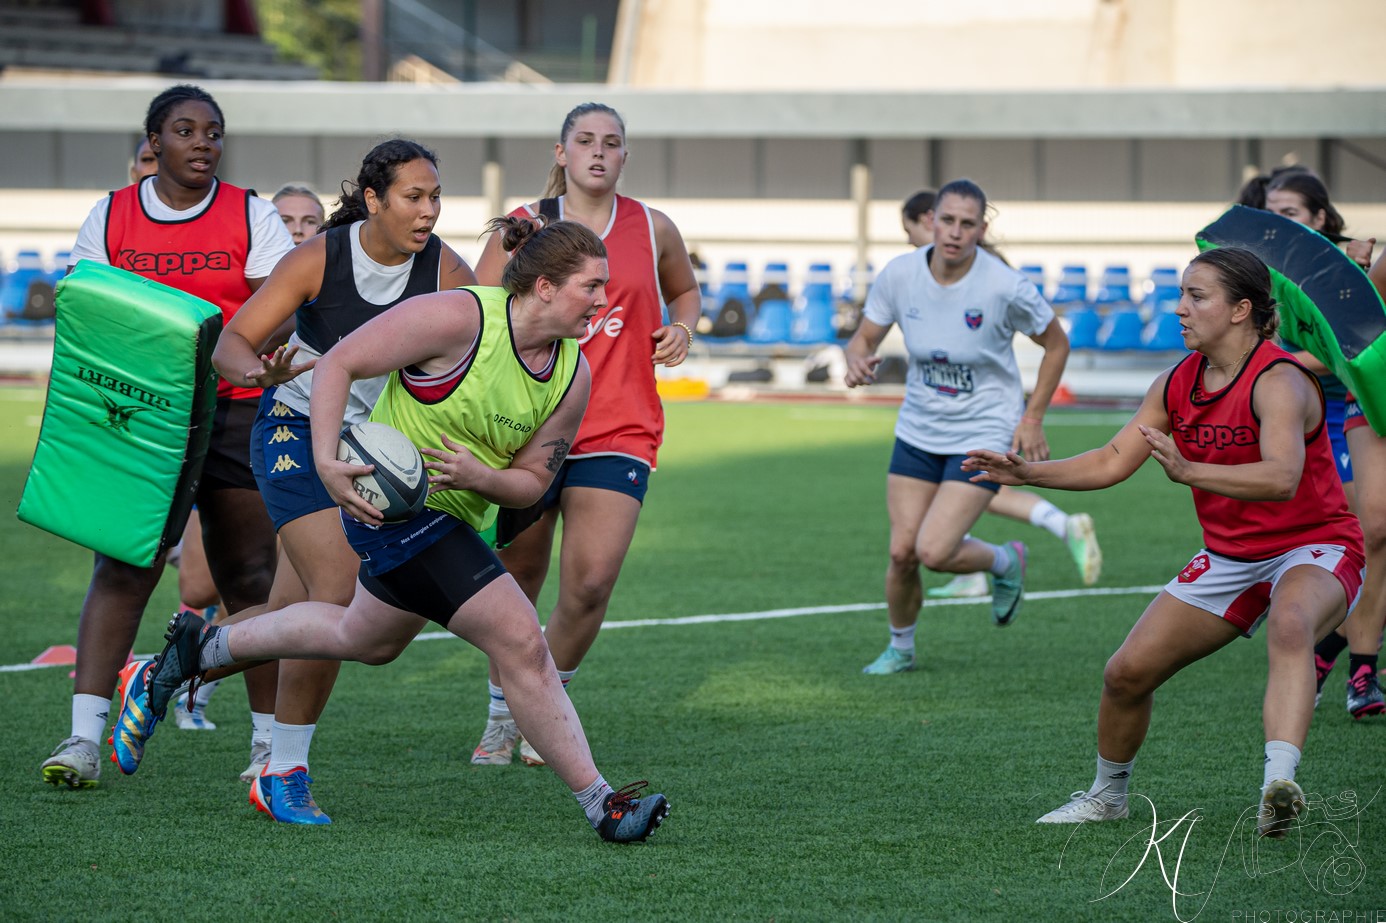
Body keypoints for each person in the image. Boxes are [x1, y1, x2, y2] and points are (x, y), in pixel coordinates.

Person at [112, 215, 670, 842]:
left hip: (451, 514)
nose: (603, 300)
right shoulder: (462, 317)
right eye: (591, 287)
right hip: (392, 507)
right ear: (543, 286)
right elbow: (337, 365)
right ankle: (603, 805)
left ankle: (192, 653)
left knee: (363, 636)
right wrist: (328, 460)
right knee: (523, 644)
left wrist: (480, 476)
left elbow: (532, 483)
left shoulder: (574, 374)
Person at [965, 247, 1364, 837]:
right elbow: (1109, 461)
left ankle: (1278, 785)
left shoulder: (1280, 381)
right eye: (1181, 294)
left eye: (1196, 297)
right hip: (1231, 556)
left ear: (1241, 310)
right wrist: (1026, 473)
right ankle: (1107, 797)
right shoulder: (1175, 381)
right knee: (1125, 673)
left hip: (1316, 545)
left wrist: (1190, 471)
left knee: (1290, 622)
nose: (1179, 308)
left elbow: (1281, 478)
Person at [202, 138, 476, 822]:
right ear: (375, 199)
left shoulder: (448, 269)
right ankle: (284, 770)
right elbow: (230, 345)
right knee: (338, 591)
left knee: (294, 615)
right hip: (295, 431)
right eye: (414, 197)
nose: (428, 211)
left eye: (436, 197)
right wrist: (257, 373)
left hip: (373, 451)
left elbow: (479, 345)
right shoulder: (319, 258)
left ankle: (170, 663)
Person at [39, 84, 292, 790]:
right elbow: (89, 315)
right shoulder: (112, 215)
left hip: (235, 411)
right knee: (123, 565)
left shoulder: (251, 212)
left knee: (250, 577)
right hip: (141, 413)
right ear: (154, 143)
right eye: (185, 130)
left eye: (214, 130)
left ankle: (269, 744)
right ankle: (83, 738)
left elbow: (276, 314)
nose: (204, 141)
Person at [468, 102, 701, 768]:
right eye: (586, 140)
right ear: (562, 151)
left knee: (591, 583)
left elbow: (685, 293)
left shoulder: (653, 225)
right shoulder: (524, 224)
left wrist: (684, 327)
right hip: (529, 426)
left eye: (613, 142)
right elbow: (479, 310)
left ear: (626, 155)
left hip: (620, 424)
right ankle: (500, 716)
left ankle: (543, 705)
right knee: (517, 577)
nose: (599, 151)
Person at [845, 178, 1072, 675]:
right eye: (946, 220)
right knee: (903, 552)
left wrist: (1031, 417)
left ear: (980, 229)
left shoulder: (1003, 286)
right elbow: (863, 338)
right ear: (931, 221)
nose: (954, 232)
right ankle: (900, 648)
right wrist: (857, 360)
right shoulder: (900, 274)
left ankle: (1004, 561)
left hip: (985, 429)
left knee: (934, 551)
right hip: (919, 429)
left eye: (967, 224)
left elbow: (1057, 345)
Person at [895, 189, 1102, 600]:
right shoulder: (917, 274)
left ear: (927, 219)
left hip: (979, 414)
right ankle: (984, 562)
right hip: (944, 417)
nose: (910, 242)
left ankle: (1029, 542)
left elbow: (1052, 340)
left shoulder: (990, 278)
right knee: (969, 494)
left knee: (973, 490)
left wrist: (1031, 418)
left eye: (909, 231)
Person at [1258, 169, 1384, 719]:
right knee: (1372, 528)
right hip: (1328, 408)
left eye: (1290, 213)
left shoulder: (1350, 257)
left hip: (1346, 399)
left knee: (1373, 530)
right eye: (1273, 213)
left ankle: (1331, 649)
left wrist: (1355, 272)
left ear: (1319, 219)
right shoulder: (1265, 274)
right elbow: (1349, 349)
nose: (1278, 224)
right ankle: (1359, 666)